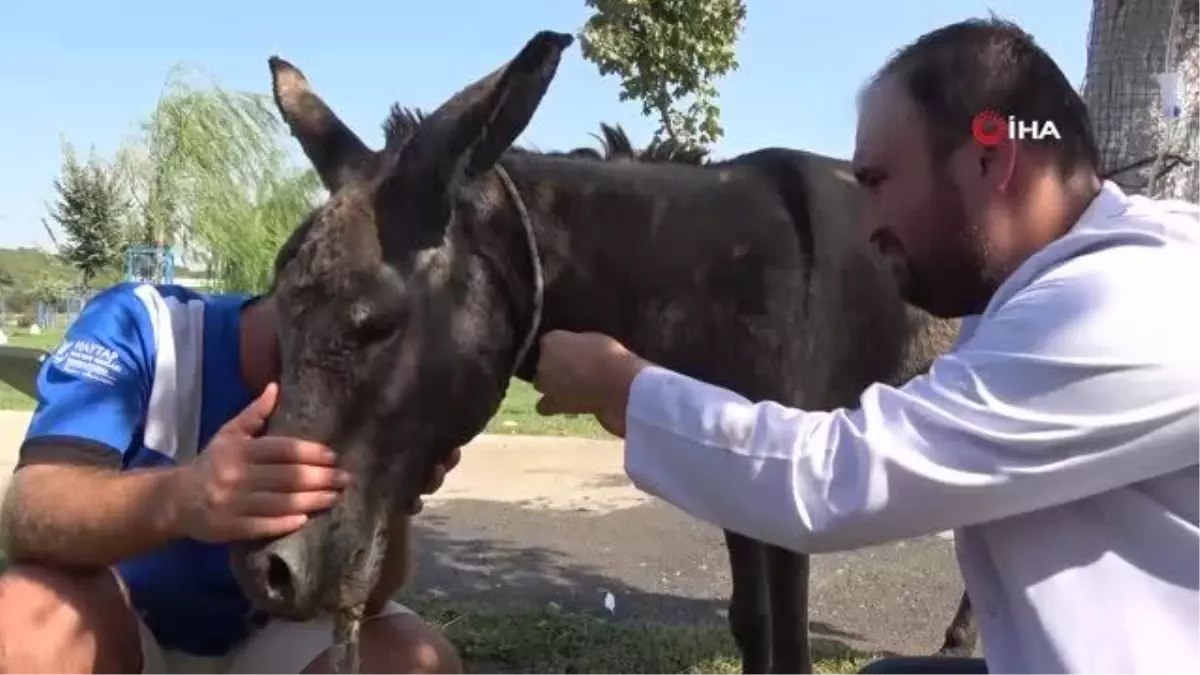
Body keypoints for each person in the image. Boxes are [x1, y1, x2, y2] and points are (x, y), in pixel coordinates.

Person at [532, 17, 1200, 675]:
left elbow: (837, 479)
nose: (867, 222)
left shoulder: (1121, 304)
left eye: (876, 182)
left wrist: (623, 388)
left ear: (991, 160)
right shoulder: (1032, 294)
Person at [0, 284, 464, 675]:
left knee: (408, 660)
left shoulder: (368, 395)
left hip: (264, 640)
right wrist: (182, 498)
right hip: (123, 629)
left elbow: (369, 599)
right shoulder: (146, 326)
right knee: (25, 625)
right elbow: (30, 510)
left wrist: (392, 497)